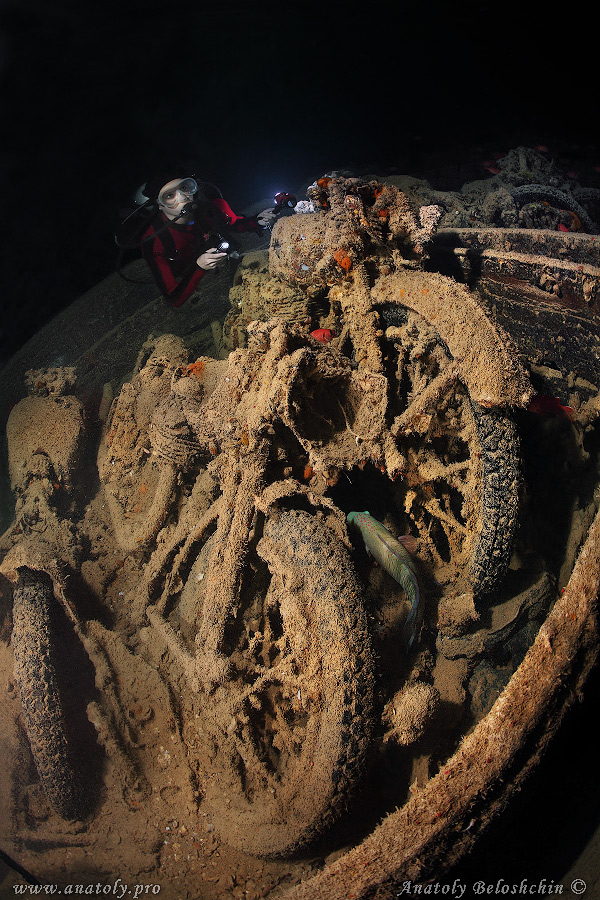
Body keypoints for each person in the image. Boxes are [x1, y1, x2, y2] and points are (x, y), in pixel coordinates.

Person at [139, 172, 265, 307]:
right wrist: (199, 267)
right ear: (159, 204)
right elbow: (173, 298)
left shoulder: (208, 208)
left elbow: (232, 224)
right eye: (170, 196)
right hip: (185, 272)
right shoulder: (154, 241)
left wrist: (257, 221)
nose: (182, 197)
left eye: (184, 188)